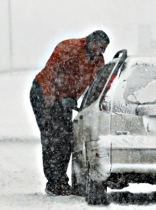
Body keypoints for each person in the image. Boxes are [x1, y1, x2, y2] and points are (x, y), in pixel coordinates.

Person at [29, 30, 109, 196]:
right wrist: (50, 98)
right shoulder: (69, 47)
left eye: (104, 49)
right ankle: (54, 183)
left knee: (65, 139)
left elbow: (99, 84)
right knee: (52, 138)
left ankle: (60, 181)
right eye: (99, 47)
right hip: (43, 93)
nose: (101, 52)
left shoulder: (98, 60)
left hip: (65, 99)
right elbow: (52, 71)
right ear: (92, 42)